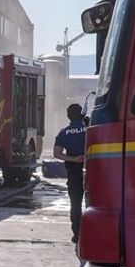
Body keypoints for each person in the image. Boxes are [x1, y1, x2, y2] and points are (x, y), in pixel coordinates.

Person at [53, 103, 87, 244]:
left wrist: (74, 159)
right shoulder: (90, 129)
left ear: (68, 116)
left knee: (76, 204)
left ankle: (77, 235)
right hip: (94, 168)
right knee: (94, 203)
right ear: (82, 114)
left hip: (74, 170)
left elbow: (57, 153)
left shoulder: (64, 132)